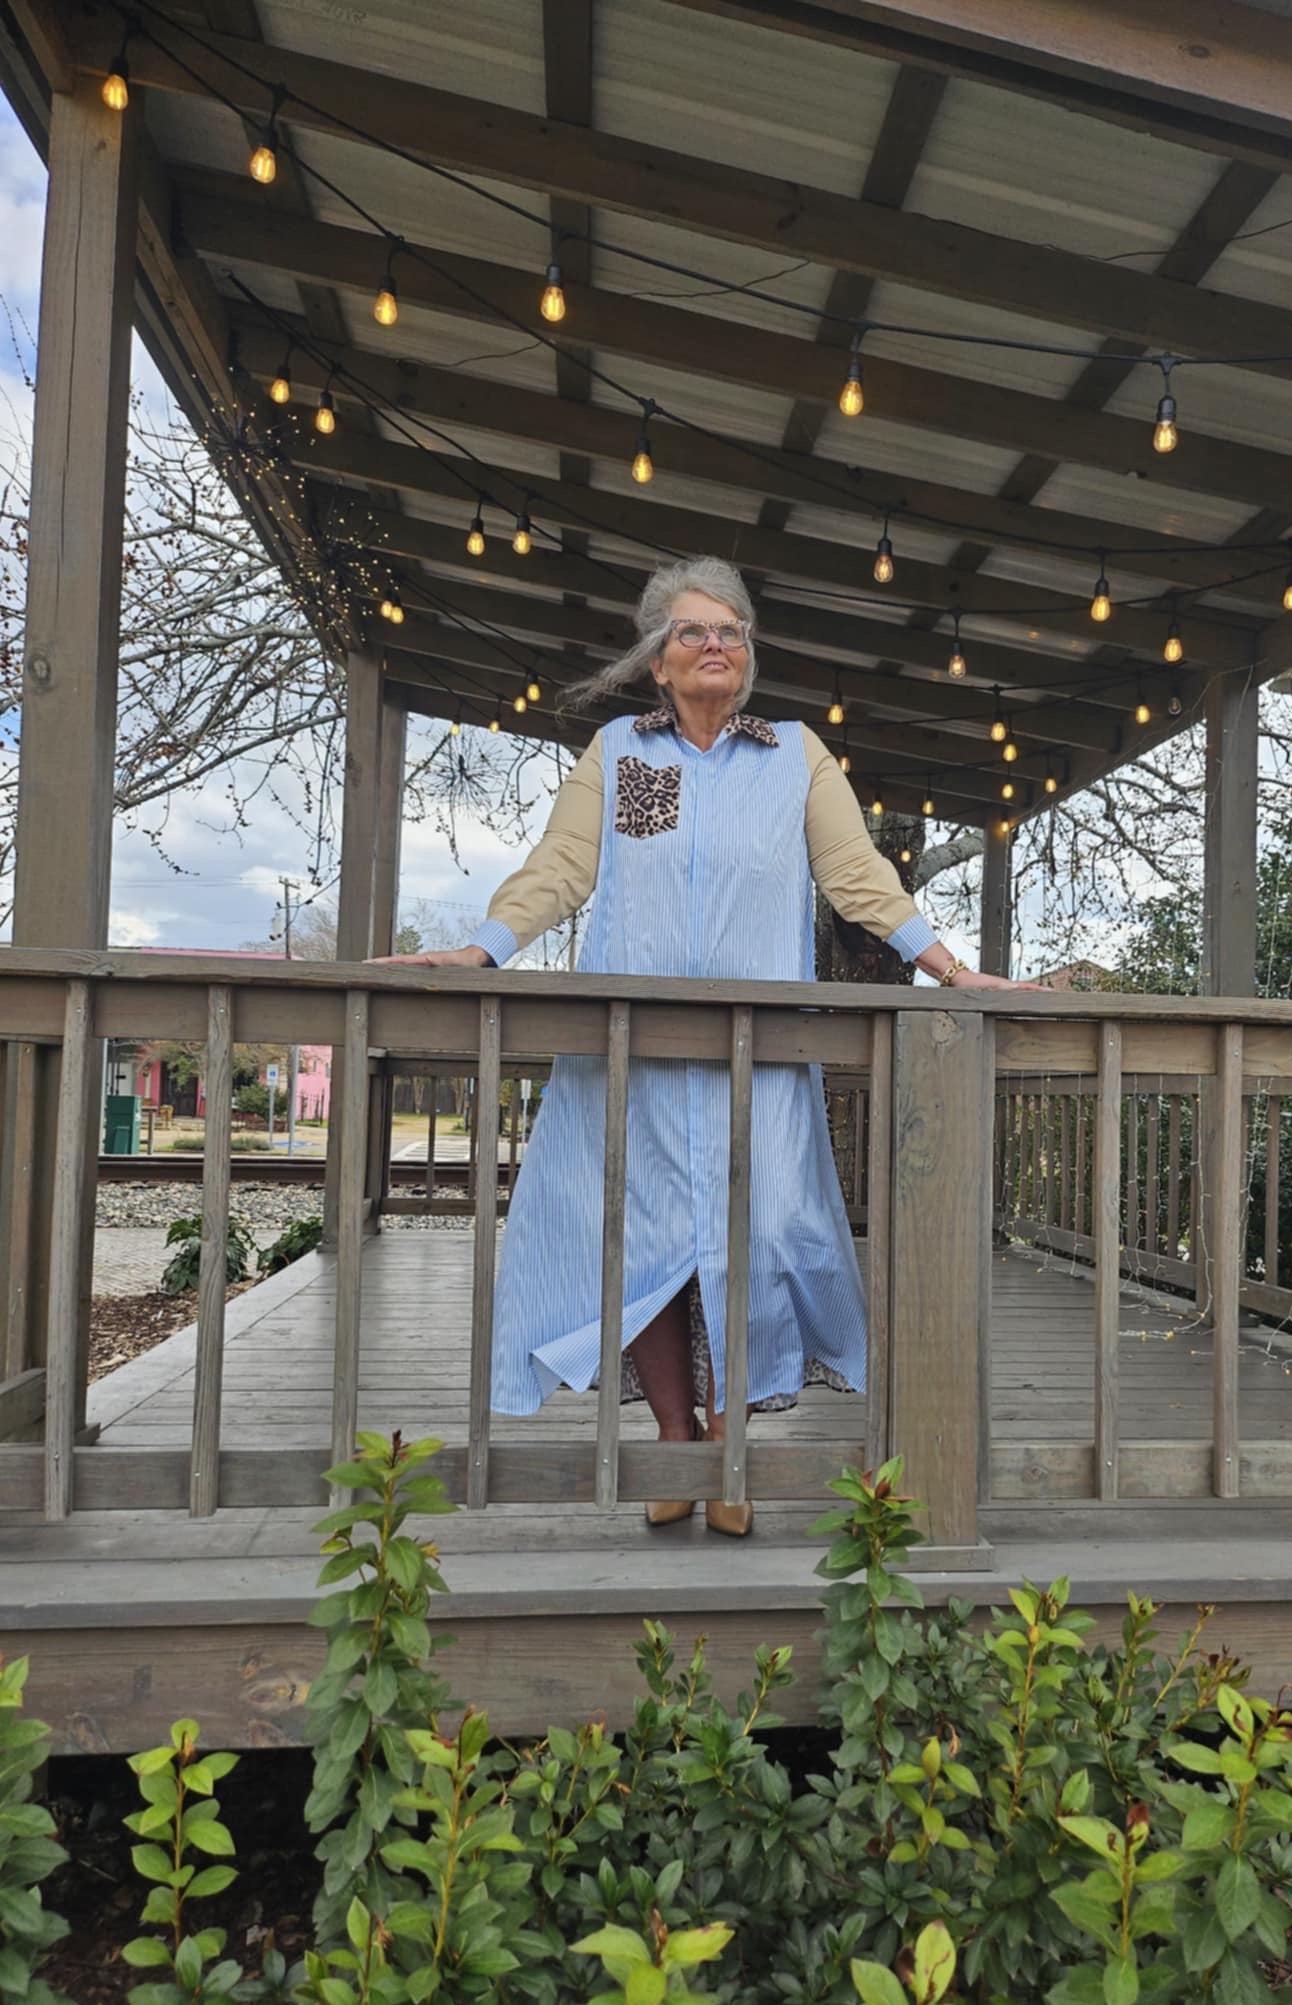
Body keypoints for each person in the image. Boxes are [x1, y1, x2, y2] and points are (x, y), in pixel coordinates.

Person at [373, 557, 1029, 1535]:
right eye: (693, 632)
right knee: (636, 1247)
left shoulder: (794, 755)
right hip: (627, 1050)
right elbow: (567, 868)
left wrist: (951, 969)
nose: (716, 644)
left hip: (752, 1057)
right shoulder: (626, 758)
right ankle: (682, 1445)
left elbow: (856, 874)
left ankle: (729, 1442)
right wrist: (485, 944)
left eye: (732, 631)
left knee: (757, 1236)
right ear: (656, 661)